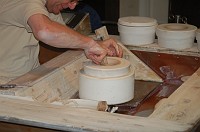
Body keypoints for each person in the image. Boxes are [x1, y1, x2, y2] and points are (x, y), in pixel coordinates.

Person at [0, 0, 123, 84]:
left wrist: (97, 43)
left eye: (76, 2)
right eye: (71, 0)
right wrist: (90, 44)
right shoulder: (26, 2)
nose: (72, 6)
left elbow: (66, 36)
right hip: (5, 84)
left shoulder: (48, 6)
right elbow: (45, 31)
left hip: (28, 77)